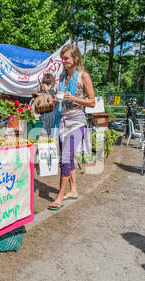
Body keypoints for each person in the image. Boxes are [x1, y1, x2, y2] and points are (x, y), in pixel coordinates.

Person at [48, 44, 95, 210]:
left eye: (66, 58)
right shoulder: (61, 77)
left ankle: (60, 196)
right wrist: (55, 100)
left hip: (77, 121)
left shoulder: (83, 76)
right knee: (67, 156)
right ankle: (73, 190)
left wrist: (74, 98)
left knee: (65, 158)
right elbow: (59, 98)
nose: (63, 61)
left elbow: (92, 102)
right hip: (62, 120)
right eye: (62, 58)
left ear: (75, 58)